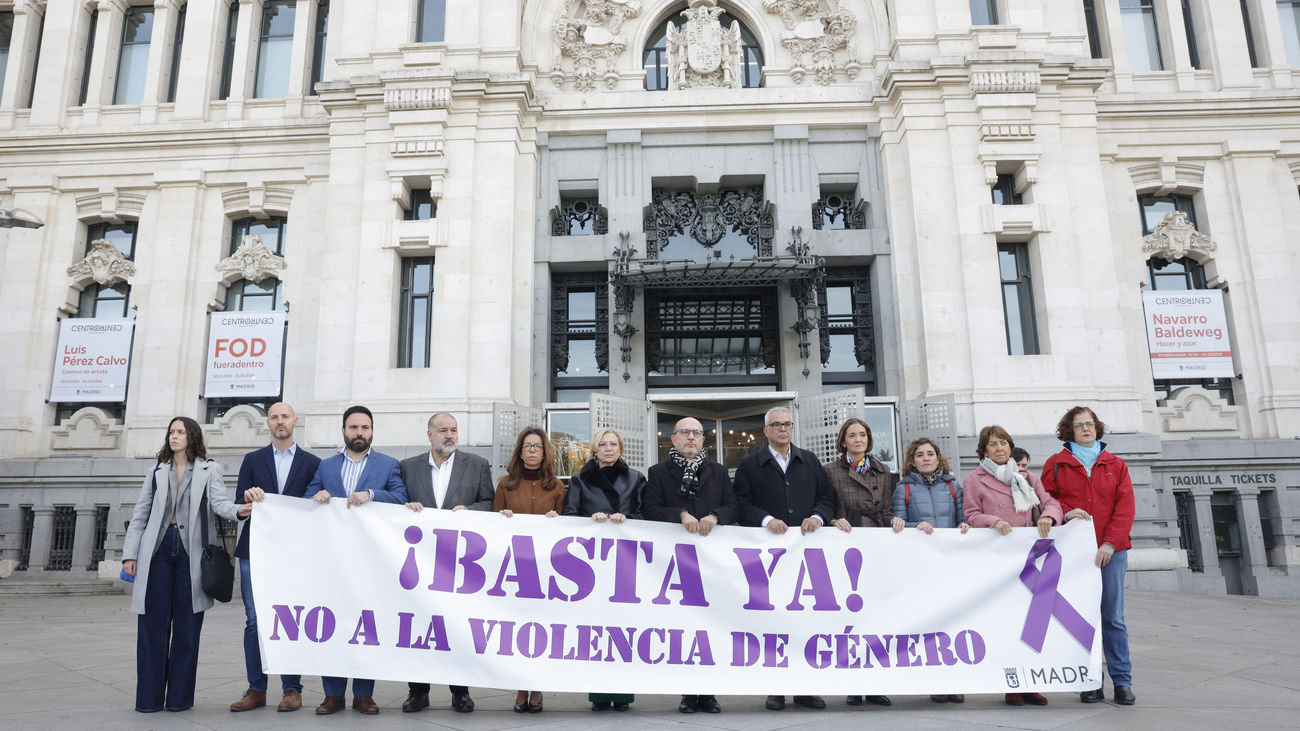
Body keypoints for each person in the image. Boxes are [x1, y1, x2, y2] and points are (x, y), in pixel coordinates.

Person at [122, 417, 243, 713]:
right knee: (153, 626)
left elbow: (220, 504)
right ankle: (148, 700)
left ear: (192, 436)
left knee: (188, 629)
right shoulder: (155, 471)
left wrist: (242, 510)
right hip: (158, 551)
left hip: (192, 553)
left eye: (180, 432)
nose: (174, 436)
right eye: (171, 432)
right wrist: (130, 554)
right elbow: (140, 514)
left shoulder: (209, 469)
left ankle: (179, 699)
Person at [304, 405, 408, 715]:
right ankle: (332, 695)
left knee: (367, 625)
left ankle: (364, 694)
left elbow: (400, 497)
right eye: (353, 427)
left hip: (370, 560)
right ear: (344, 431)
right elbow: (307, 497)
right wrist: (317, 497)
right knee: (332, 624)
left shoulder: (388, 465)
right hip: (333, 559)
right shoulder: (326, 466)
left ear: (372, 431)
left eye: (364, 427)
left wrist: (372, 495)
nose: (359, 432)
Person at [734, 407, 834, 712]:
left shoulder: (810, 461)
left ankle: (806, 688)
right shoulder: (750, 464)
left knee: (806, 623)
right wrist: (765, 520)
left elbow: (827, 498)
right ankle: (775, 689)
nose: (783, 429)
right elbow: (741, 504)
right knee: (772, 622)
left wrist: (817, 518)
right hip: (769, 559)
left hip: (807, 559)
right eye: (776, 425)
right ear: (765, 431)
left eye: (787, 424)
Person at [398, 412, 495, 714]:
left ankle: (460, 692)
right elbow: (397, 504)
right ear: (429, 434)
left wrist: (469, 509)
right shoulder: (408, 467)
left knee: (458, 624)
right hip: (420, 563)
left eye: (453, 430)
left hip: (461, 563)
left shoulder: (477, 465)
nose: (449, 435)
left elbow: (489, 503)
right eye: (443, 430)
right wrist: (406, 507)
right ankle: (418, 691)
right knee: (419, 624)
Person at [1041, 407, 1136, 707]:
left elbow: (1126, 507)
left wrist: (1110, 543)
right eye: (1079, 425)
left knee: (1113, 618)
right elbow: (1046, 500)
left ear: (1097, 428)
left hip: (1111, 552)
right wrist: (1066, 513)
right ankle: (1090, 680)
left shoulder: (1115, 464)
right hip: (1074, 552)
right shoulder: (1056, 464)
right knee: (1082, 619)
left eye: (1090, 424)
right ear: (1069, 430)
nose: (1086, 429)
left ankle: (1122, 682)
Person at [229, 402, 321, 713]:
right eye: (274, 417)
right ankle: (256, 688)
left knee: (290, 618)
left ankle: (292, 690)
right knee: (255, 621)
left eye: (285, 416)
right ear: (267, 423)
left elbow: (316, 505)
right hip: (254, 551)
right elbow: (240, 504)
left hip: (295, 553)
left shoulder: (313, 463)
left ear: (295, 421)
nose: (280, 422)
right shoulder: (252, 460)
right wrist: (247, 498)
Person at [963, 424, 1062, 707]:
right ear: (984, 450)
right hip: (996, 556)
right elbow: (970, 514)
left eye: (1004, 443)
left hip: (1028, 555)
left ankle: (1031, 682)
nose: (1000, 448)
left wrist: (1049, 517)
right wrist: (993, 521)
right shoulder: (974, 479)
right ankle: (1011, 683)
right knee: (1006, 622)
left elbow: (1051, 502)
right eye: (993, 444)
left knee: (1032, 621)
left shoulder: (1027, 476)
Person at [643, 416, 736, 715]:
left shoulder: (718, 472)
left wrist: (715, 516)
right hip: (675, 564)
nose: (691, 438)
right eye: (685, 432)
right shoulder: (657, 472)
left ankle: (708, 694)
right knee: (684, 628)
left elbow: (735, 506)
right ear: (673, 439)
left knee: (711, 628)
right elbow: (650, 509)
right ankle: (687, 693)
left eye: (697, 433)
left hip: (712, 562)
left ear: (703, 441)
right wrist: (680, 514)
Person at [562, 426, 646, 713]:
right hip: (591, 566)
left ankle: (622, 696)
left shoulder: (636, 478)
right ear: (595, 449)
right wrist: (590, 519)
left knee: (624, 630)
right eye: (603, 444)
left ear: (620, 448)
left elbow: (644, 514)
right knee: (594, 629)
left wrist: (629, 518)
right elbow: (570, 517)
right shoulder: (579, 480)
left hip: (625, 562)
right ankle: (598, 695)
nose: (609, 449)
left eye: (614, 444)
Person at [890, 437, 969, 704]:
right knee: (931, 623)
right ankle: (936, 680)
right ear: (912, 461)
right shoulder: (903, 489)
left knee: (956, 622)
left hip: (951, 564)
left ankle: (956, 681)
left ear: (938, 458)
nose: (925, 458)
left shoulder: (954, 487)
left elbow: (963, 519)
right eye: (920, 455)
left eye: (930, 454)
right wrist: (915, 526)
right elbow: (898, 523)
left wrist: (965, 527)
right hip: (922, 565)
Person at [823, 417, 893, 708]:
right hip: (846, 547)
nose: (858, 440)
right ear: (843, 441)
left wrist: (895, 521)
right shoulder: (830, 471)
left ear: (868, 439)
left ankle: (875, 683)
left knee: (876, 617)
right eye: (851, 435)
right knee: (850, 619)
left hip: (875, 546)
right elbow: (826, 505)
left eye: (862, 435)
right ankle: (853, 682)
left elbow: (887, 510)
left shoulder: (883, 470)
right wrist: (831, 519)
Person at [494, 427, 565, 713]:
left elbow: (568, 528)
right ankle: (520, 688)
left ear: (545, 451)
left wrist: (556, 520)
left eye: (537, 446)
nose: (532, 451)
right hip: (514, 570)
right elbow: (490, 525)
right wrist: (502, 517)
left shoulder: (557, 487)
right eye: (527, 446)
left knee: (541, 630)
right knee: (517, 632)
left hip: (546, 571)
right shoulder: (505, 484)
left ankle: (536, 688)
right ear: (519, 451)